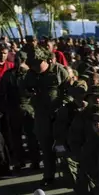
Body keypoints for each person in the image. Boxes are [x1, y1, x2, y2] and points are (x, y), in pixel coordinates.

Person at [25, 46, 70, 186]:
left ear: (45, 61)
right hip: (41, 115)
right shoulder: (30, 74)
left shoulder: (58, 71)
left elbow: (69, 91)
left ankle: (69, 176)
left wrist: (63, 106)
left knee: (63, 147)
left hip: (58, 116)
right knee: (46, 147)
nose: (35, 67)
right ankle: (49, 175)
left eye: (37, 64)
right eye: (32, 64)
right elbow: (23, 91)